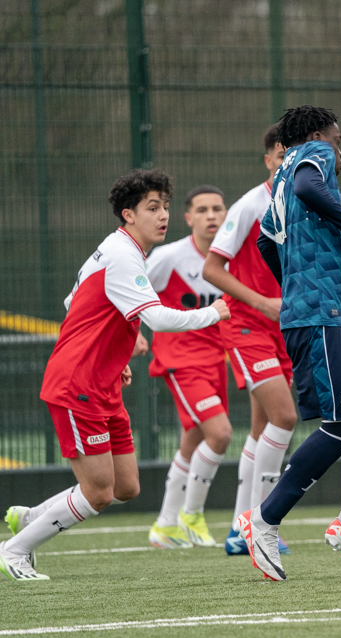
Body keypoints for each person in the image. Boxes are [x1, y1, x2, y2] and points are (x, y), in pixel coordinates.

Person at [0, 169, 229, 581]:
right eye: (151, 208)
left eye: (165, 207)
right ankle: (14, 550)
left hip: (101, 383)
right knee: (100, 492)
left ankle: (33, 516)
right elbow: (157, 318)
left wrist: (114, 354)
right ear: (128, 214)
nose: (162, 216)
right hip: (77, 386)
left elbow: (76, 300)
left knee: (126, 488)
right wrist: (213, 312)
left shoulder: (118, 250)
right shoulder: (123, 255)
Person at [235, 105, 341, 580]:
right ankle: (264, 521)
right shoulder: (311, 156)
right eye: (337, 137)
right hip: (321, 318)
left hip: (330, 315)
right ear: (315, 135)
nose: (340, 148)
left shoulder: (278, 181)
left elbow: (267, 244)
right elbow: (313, 188)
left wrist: (298, 283)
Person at [204, 125, 298, 556]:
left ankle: (241, 529)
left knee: (263, 427)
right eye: (280, 157)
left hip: (285, 328)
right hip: (245, 325)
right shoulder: (249, 206)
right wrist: (262, 301)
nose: (286, 164)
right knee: (284, 417)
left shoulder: (305, 203)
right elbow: (212, 270)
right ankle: (260, 523)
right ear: (268, 161)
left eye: (293, 157)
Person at [145, 185, 232, 549]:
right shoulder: (169, 257)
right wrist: (132, 333)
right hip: (180, 360)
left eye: (217, 208)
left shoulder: (230, 257)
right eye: (202, 210)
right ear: (188, 218)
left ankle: (165, 526)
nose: (211, 215)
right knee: (221, 434)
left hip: (216, 359)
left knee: (192, 440)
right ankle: (191, 514)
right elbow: (128, 293)